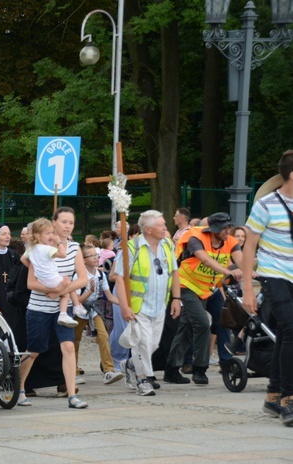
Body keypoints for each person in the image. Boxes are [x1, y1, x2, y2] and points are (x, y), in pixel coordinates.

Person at [19, 207, 88, 408]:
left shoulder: (74, 248)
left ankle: (71, 395)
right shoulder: (39, 246)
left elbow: (82, 278)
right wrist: (51, 289)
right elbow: (31, 283)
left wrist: (59, 292)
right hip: (39, 307)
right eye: (64, 222)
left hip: (61, 307)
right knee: (33, 351)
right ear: (54, 223)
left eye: (71, 223)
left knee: (67, 346)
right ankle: (20, 387)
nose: (67, 226)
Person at [243, 150, 293, 425]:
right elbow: (249, 246)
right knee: (291, 329)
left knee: (287, 334)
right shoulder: (265, 205)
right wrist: (249, 289)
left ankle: (272, 395)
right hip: (274, 275)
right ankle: (289, 398)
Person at [163, 212, 242, 385]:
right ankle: (200, 369)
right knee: (202, 324)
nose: (228, 231)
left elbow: (240, 260)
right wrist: (228, 272)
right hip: (186, 286)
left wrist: (247, 271)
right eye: (224, 228)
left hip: (206, 289)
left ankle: (170, 369)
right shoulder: (195, 239)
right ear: (214, 229)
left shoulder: (231, 242)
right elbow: (205, 260)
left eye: (229, 227)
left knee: (186, 328)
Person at [114, 211, 181, 396]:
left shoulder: (167, 244)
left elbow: (174, 273)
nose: (166, 228)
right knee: (142, 344)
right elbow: (119, 279)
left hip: (159, 305)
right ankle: (143, 380)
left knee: (152, 345)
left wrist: (176, 299)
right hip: (139, 306)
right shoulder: (132, 248)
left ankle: (129, 364)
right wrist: (125, 306)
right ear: (149, 229)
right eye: (162, 225)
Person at [73, 245, 123, 385]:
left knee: (103, 336)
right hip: (80, 310)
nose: (96, 258)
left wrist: (124, 304)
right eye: (91, 256)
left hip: (94, 309)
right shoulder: (78, 275)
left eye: (96, 255)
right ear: (83, 260)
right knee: (74, 341)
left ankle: (108, 371)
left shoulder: (100, 274)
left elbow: (109, 296)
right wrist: (89, 292)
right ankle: (73, 371)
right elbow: (76, 300)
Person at [25, 218, 85, 327]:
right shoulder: (47, 249)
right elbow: (63, 254)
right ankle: (71, 309)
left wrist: (36, 266)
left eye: (52, 233)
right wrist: (59, 242)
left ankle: (74, 307)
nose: (51, 236)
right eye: (48, 233)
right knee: (67, 288)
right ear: (38, 236)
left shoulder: (31, 249)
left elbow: (23, 260)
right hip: (52, 281)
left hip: (42, 280)